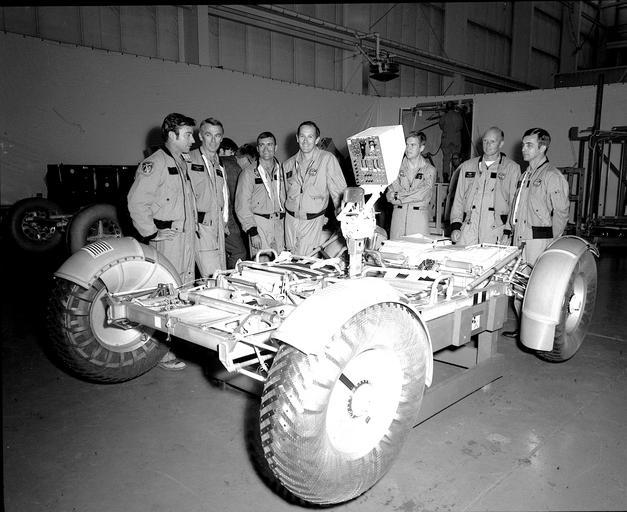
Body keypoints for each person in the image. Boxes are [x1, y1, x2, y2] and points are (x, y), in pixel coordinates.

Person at [127, 113, 197, 370]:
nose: (193, 139)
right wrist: (152, 233)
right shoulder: (154, 163)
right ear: (171, 135)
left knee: (182, 292)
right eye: (188, 134)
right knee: (164, 296)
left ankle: (176, 344)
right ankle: (160, 353)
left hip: (185, 238)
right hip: (168, 241)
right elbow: (136, 202)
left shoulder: (181, 161)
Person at [503, 127, 570, 339]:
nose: (523, 148)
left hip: (538, 241)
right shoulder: (525, 175)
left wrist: (553, 243)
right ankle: (523, 329)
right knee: (518, 286)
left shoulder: (552, 176)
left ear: (542, 148)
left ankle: (537, 334)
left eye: (529, 145)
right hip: (519, 239)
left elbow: (561, 213)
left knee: (536, 289)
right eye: (523, 144)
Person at [282, 121, 347, 256]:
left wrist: (343, 216)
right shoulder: (288, 164)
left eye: (310, 137)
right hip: (290, 222)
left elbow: (339, 193)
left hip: (312, 221)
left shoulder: (327, 159)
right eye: (302, 136)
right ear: (297, 138)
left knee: (304, 260)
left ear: (317, 140)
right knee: (288, 259)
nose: (305, 141)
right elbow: (283, 195)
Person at [450, 127, 521, 245]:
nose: (487, 145)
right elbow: (459, 198)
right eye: (485, 141)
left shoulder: (511, 168)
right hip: (469, 227)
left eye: (492, 141)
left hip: (495, 230)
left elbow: (515, 204)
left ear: (501, 143)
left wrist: (508, 231)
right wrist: (456, 226)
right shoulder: (468, 166)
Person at [188, 117, 228, 277]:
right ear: (200, 136)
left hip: (218, 227)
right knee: (214, 276)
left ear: (222, 138)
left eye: (217, 136)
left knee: (220, 274)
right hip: (201, 227)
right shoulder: (188, 159)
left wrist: (224, 222)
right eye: (208, 135)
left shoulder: (219, 164)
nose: (213, 140)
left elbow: (224, 194)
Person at [235, 133, 285, 258]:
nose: (266, 149)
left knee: (283, 263)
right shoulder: (248, 173)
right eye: (262, 145)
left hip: (281, 225)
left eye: (269, 145)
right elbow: (242, 205)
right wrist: (252, 231)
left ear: (276, 147)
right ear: (257, 148)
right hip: (260, 225)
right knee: (262, 264)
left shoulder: (284, 170)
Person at [385, 131, 436, 239]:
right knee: (394, 249)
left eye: (413, 145)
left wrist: (398, 195)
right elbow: (389, 196)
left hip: (418, 221)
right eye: (407, 145)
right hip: (398, 220)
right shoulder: (395, 168)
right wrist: (409, 196)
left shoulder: (429, 170)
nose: (408, 148)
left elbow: (421, 195)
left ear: (421, 148)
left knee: (417, 249)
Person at [219, 137, 249, 267]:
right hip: (230, 220)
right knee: (239, 252)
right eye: (231, 152)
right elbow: (236, 198)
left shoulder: (213, 164)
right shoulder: (231, 165)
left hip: (213, 219)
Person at [438, 101, 464, 182]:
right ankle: (456, 176)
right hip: (456, 140)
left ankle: (446, 176)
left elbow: (441, 126)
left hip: (446, 140)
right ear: (453, 107)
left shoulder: (444, 116)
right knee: (456, 158)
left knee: (446, 159)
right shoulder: (458, 116)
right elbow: (461, 126)